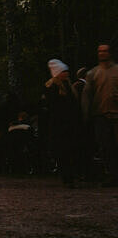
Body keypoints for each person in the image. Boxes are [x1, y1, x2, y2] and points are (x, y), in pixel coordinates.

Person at [82, 44, 118, 187]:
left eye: (105, 51)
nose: (102, 54)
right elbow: (87, 95)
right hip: (100, 115)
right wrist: (86, 115)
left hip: (116, 115)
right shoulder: (93, 73)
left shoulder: (116, 71)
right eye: (99, 51)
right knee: (105, 147)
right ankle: (111, 175)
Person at [44, 59, 81, 187]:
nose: (66, 74)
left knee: (69, 151)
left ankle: (69, 176)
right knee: (64, 152)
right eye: (63, 71)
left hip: (69, 125)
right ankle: (67, 177)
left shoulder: (68, 87)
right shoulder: (53, 88)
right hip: (60, 125)